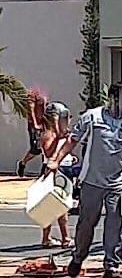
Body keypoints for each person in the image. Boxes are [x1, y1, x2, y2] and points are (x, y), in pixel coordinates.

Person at [46, 84, 122, 278]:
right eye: (120, 99)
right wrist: (56, 159)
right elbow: (72, 140)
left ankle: (111, 266)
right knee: (86, 224)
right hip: (91, 181)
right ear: (112, 99)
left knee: (114, 224)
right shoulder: (93, 117)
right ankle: (78, 257)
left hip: (117, 184)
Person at [39, 102, 73, 248]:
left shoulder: (56, 134)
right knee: (60, 205)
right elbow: (49, 153)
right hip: (55, 171)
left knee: (54, 205)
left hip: (62, 169)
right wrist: (59, 136)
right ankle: (65, 238)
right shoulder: (50, 134)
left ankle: (47, 238)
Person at [16, 90, 46, 177]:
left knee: (45, 146)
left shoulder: (43, 94)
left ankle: (44, 169)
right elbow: (31, 110)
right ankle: (23, 163)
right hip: (35, 126)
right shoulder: (32, 96)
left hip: (43, 125)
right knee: (35, 149)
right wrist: (35, 124)